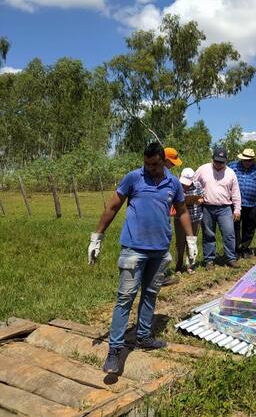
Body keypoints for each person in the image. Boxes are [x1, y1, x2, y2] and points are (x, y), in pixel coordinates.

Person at [87, 142, 198, 374]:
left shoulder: (173, 183)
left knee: (150, 294)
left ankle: (144, 336)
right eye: (146, 164)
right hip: (133, 249)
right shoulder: (133, 178)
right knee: (125, 298)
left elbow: (183, 211)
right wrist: (97, 236)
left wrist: (190, 240)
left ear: (163, 162)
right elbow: (112, 207)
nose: (149, 168)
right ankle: (115, 350)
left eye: (154, 164)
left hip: (159, 250)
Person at [193, 147, 241, 268]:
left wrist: (237, 209)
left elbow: (235, 192)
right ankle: (209, 260)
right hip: (207, 207)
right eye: (217, 161)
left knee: (229, 233)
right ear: (212, 158)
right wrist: (196, 197)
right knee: (208, 234)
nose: (219, 164)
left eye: (222, 162)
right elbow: (192, 183)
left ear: (226, 161)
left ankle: (230, 258)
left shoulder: (231, 173)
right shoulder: (202, 169)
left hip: (225, 208)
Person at [229, 148, 256, 258]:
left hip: (251, 203)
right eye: (245, 160)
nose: (247, 162)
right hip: (235, 203)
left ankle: (245, 248)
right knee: (234, 226)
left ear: (253, 160)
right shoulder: (232, 166)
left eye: (250, 160)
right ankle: (236, 249)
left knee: (249, 227)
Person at [161, 147, 184, 287]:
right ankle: (158, 277)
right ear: (165, 160)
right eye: (172, 162)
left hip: (165, 217)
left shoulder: (169, 176)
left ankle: (158, 275)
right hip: (158, 218)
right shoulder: (160, 175)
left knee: (162, 246)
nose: (174, 164)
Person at [174, 168, 204, 274]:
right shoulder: (176, 184)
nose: (185, 185)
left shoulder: (198, 185)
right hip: (180, 218)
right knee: (180, 243)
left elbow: (202, 197)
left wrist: (198, 200)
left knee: (192, 242)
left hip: (195, 217)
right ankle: (178, 266)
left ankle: (190, 266)